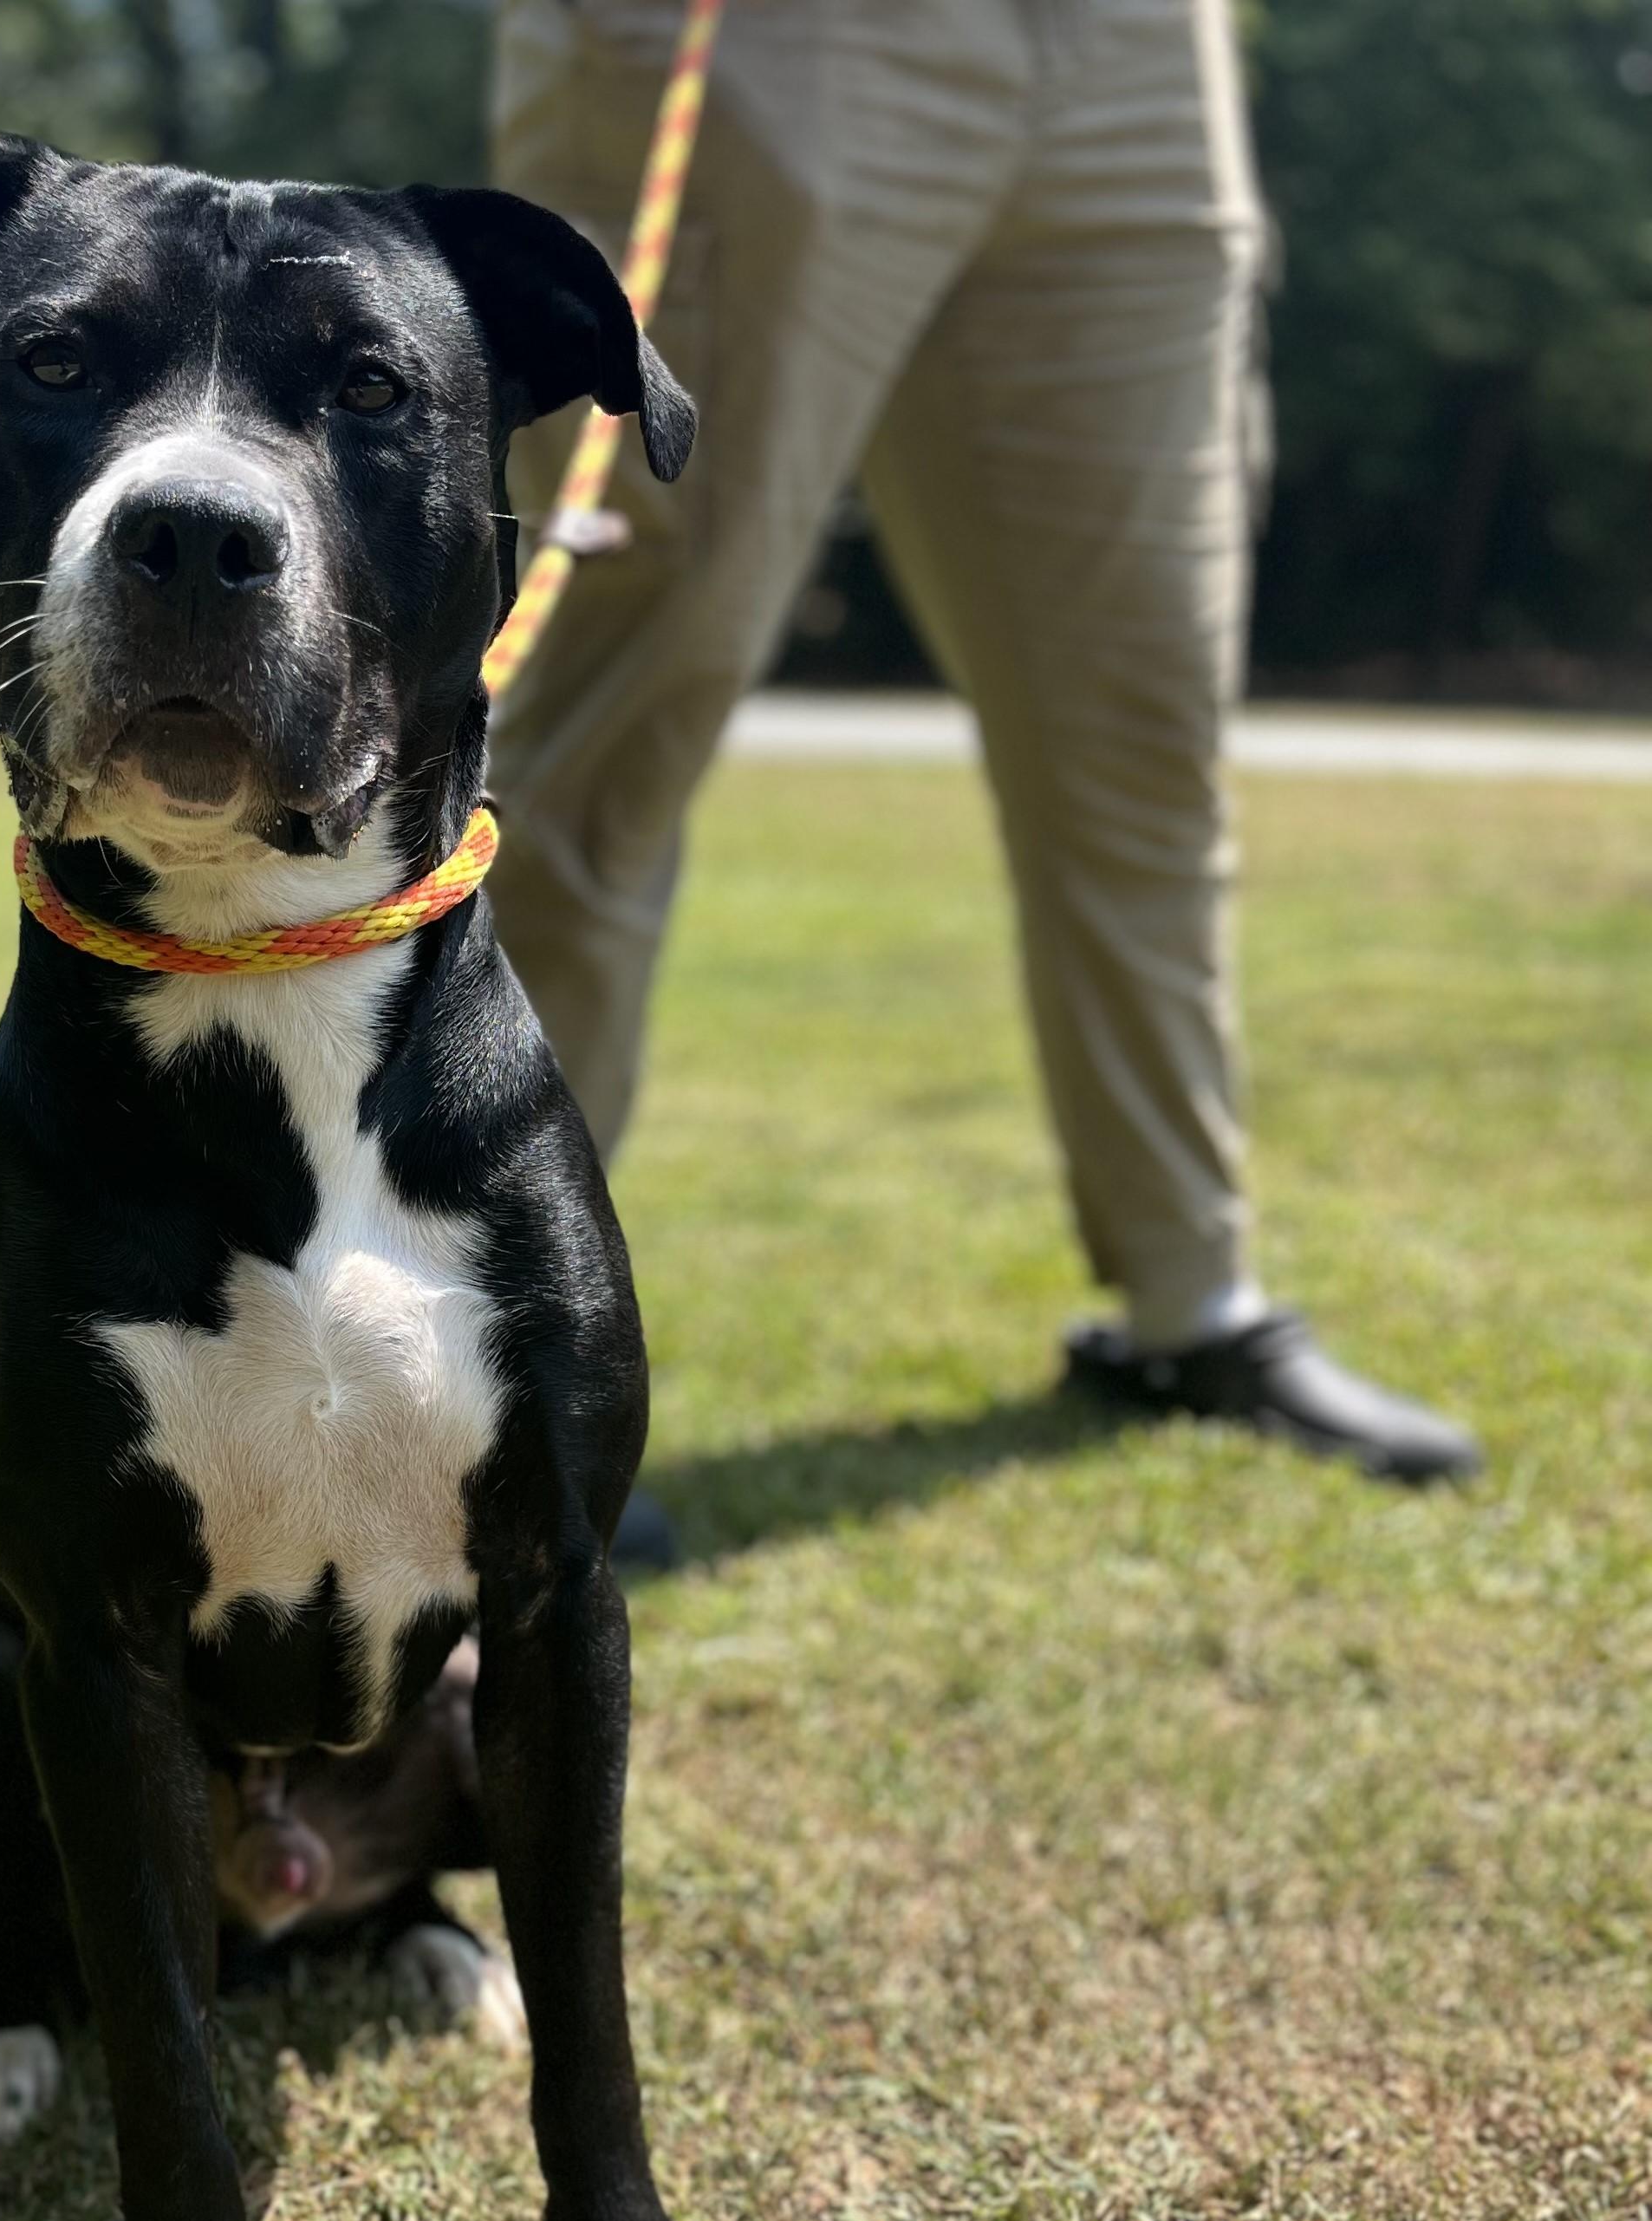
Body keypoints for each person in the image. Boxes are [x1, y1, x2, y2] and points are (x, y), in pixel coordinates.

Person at [487, 0, 1480, 1542]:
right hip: (771, 42)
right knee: (625, 710)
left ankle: (1186, 1295)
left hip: (1136, 57)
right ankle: (490, 1356)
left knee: (1141, 732)